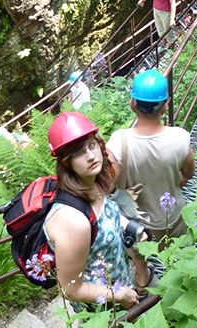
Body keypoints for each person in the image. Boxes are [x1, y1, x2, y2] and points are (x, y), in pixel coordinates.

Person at [43, 112, 149, 311]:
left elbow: (103, 217)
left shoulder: (93, 184)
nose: (91, 156)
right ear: (66, 162)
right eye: (77, 153)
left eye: (91, 145)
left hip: (119, 288)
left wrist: (127, 226)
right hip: (101, 312)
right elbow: (69, 289)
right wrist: (118, 296)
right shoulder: (73, 221)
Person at [106, 69, 195, 245]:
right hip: (172, 218)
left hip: (136, 223)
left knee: (141, 260)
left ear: (132, 103)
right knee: (175, 258)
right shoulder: (180, 138)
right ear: (165, 104)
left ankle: (144, 271)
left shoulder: (118, 141)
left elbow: (108, 185)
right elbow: (189, 173)